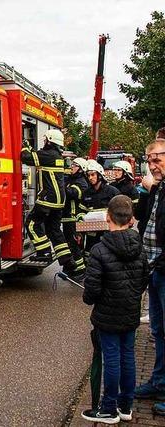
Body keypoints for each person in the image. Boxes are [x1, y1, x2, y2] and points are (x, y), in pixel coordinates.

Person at [80, 195, 149, 424]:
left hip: (107, 316)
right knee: (127, 356)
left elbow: (92, 289)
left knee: (111, 359)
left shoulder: (100, 250)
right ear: (131, 220)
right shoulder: (139, 247)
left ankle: (108, 409)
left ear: (107, 217)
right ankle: (125, 406)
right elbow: (143, 280)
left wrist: (90, 300)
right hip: (130, 312)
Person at [21, 129, 82, 280]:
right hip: (59, 200)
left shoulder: (48, 155)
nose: (44, 142)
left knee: (31, 224)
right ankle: (68, 261)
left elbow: (26, 158)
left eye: (45, 140)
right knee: (53, 230)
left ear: (49, 141)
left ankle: (44, 252)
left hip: (48, 199)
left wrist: (24, 145)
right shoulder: (57, 156)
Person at [134, 139, 165, 416]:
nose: (152, 165)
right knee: (158, 330)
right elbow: (142, 217)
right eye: (149, 160)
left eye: (157, 159)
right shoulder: (159, 189)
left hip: (163, 269)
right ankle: (159, 382)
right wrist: (149, 191)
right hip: (154, 269)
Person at [82, 160, 121, 257]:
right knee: (89, 256)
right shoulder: (86, 193)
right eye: (88, 175)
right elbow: (81, 212)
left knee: (109, 257)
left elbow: (120, 212)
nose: (90, 178)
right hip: (91, 234)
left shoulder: (112, 191)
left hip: (109, 233)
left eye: (92, 175)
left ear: (99, 175)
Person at [62, 157, 89, 275]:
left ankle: (79, 269)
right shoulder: (70, 180)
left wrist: (60, 185)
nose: (72, 167)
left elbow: (73, 194)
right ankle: (72, 267)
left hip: (74, 218)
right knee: (69, 243)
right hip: (67, 218)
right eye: (72, 165)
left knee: (74, 244)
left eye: (75, 165)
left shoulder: (82, 182)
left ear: (81, 169)